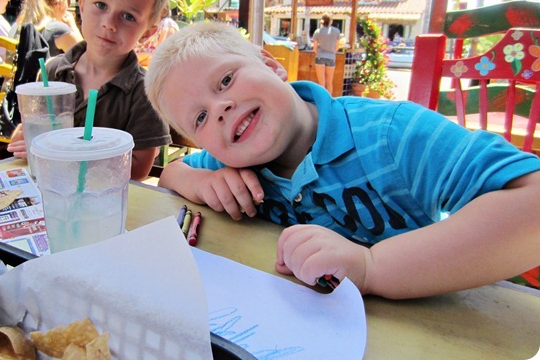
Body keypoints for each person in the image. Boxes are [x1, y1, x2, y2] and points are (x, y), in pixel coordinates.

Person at [144, 21, 540, 300]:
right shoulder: (234, 163)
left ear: (271, 65)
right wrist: (198, 181)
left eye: (226, 80)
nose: (220, 109)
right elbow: (171, 175)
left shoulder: (391, 134)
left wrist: (372, 267)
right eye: (200, 118)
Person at [8, 0, 171, 180]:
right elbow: (31, 133)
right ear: (82, 6)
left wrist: (66, 155)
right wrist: (27, 139)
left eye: (128, 16)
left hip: (104, 198)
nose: (109, 23)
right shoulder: (53, 71)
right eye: (101, 5)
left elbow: (138, 169)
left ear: (147, 32)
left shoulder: (146, 92)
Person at [13, 0, 83, 56]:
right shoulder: (58, 30)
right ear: (60, 3)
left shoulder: (18, 27)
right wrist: (73, 26)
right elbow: (86, 57)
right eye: (67, 0)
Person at [312, 14, 340, 94]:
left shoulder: (317, 32)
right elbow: (337, 47)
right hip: (331, 57)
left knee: (321, 82)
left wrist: (319, 53)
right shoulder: (336, 31)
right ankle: (329, 99)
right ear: (331, 21)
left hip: (320, 57)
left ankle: (322, 99)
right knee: (329, 82)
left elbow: (314, 48)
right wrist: (332, 52)